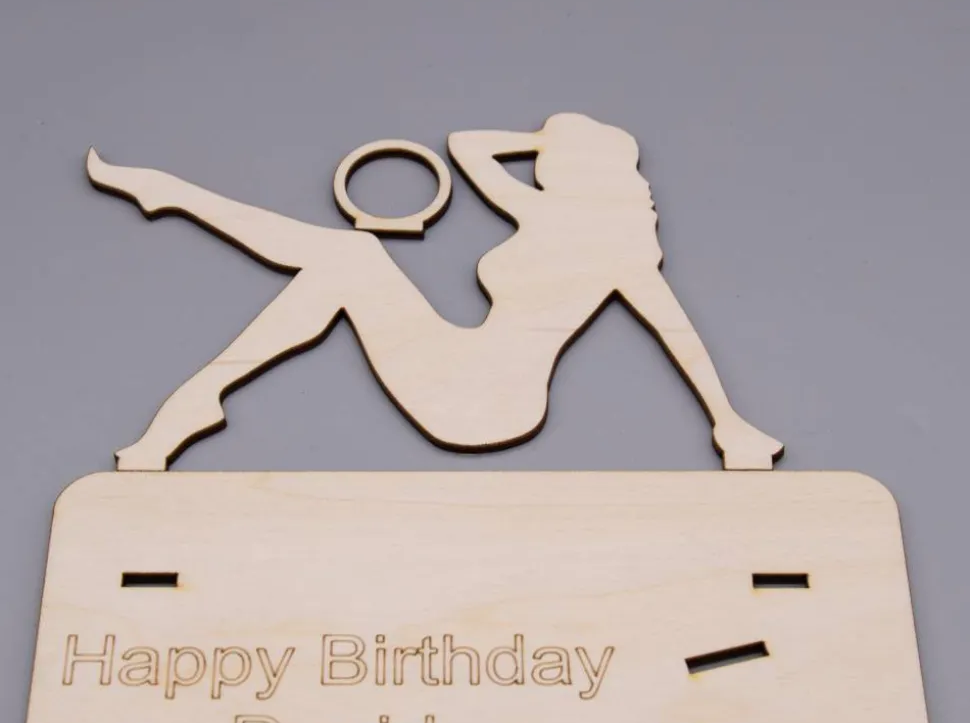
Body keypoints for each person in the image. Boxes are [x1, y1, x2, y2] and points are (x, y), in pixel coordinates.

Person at [87, 112, 782, 470]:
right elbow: (466, 144)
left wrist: (728, 423)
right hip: (459, 364)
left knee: (349, 256)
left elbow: (675, 329)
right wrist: (546, 135)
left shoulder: (617, 249)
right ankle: (175, 209)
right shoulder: (546, 214)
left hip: (488, 401)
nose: (541, 165)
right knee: (346, 260)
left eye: (554, 157)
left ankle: (174, 202)